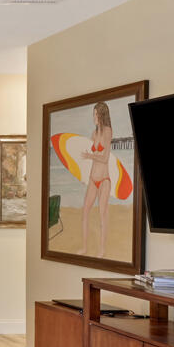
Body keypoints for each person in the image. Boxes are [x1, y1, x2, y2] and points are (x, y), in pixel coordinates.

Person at [80, 101, 114, 256]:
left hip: (104, 179)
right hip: (93, 178)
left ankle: (102, 249)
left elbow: (105, 158)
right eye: (93, 113)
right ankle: (85, 247)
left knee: (102, 214)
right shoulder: (94, 134)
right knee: (85, 211)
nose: (93, 117)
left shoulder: (107, 131)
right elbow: (94, 158)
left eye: (95, 114)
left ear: (101, 114)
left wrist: (89, 155)